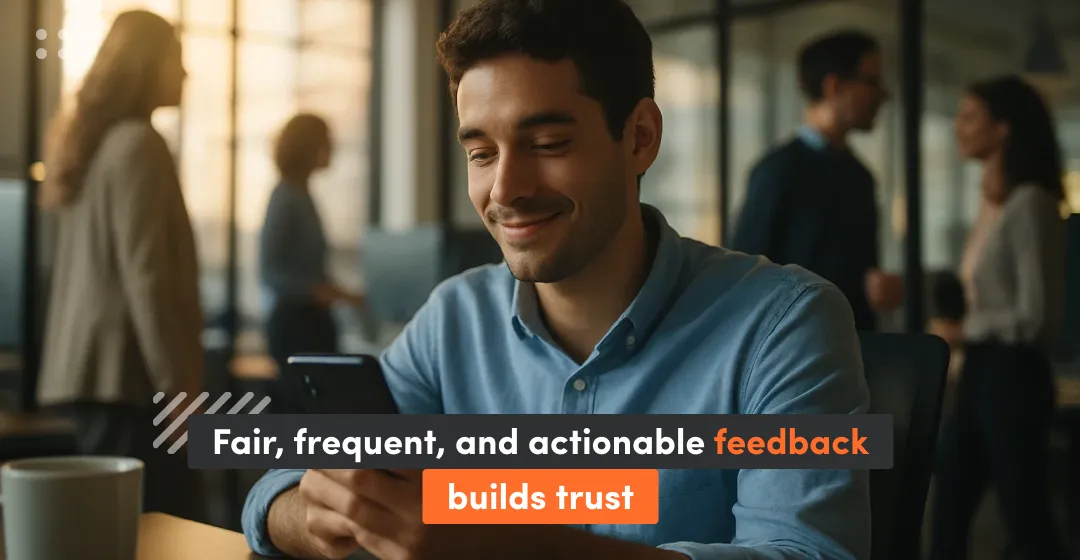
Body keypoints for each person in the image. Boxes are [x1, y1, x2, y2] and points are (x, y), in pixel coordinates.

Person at [242, 1, 871, 558]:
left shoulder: (785, 322)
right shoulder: (454, 318)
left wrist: (506, 541)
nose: (506, 190)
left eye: (546, 142)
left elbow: (804, 552)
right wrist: (313, 514)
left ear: (641, 138)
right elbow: (280, 484)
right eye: (481, 153)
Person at [37, 10, 204, 520]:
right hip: (130, 384)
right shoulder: (139, 143)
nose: (185, 73)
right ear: (147, 65)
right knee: (163, 530)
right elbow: (146, 277)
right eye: (176, 59)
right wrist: (179, 393)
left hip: (95, 380)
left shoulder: (100, 146)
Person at [929, 75, 1069, 560]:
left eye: (970, 117)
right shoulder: (994, 203)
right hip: (981, 376)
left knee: (1025, 520)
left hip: (1013, 378)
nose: (958, 128)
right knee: (948, 511)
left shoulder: (1031, 203)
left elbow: (1037, 318)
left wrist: (966, 330)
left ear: (1003, 128)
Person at [730, 30, 902, 332]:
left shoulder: (860, 176)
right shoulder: (778, 171)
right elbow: (745, 277)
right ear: (834, 86)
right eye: (871, 81)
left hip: (852, 351)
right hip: (792, 355)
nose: (883, 94)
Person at [259, 113, 363, 412]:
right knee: (303, 413)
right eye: (327, 142)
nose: (333, 149)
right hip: (295, 325)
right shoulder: (286, 197)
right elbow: (271, 271)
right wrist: (329, 293)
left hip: (312, 323)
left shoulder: (302, 195)